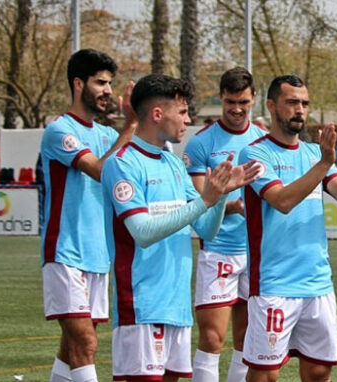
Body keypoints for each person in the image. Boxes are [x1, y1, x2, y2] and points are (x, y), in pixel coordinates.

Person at [101, 73, 260, 382]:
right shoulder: (122, 163)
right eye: (183, 111)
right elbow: (143, 232)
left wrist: (221, 193)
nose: (188, 119)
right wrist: (206, 200)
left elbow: (206, 229)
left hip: (176, 305)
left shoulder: (173, 164)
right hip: (142, 306)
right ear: (158, 114)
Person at [238, 74, 337, 382]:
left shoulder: (313, 153)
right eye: (292, 102)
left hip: (317, 284)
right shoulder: (256, 154)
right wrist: (324, 163)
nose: (300, 110)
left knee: (319, 373)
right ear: (271, 105)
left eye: (305, 104)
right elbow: (281, 201)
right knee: (264, 376)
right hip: (274, 285)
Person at [39, 49, 136, 382]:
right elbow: (98, 169)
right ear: (79, 84)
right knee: (86, 342)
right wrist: (132, 124)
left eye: (110, 83)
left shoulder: (107, 135)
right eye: (100, 82)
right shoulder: (59, 131)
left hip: (98, 256)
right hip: (66, 252)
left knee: (72, 348)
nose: (108, 90)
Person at [183, 67, 267, 382]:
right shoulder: (201, 143)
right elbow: (199, 201)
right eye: (230, 101)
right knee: (212, 338)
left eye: (243, 102)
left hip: (257, 251)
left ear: (253, 99)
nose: (236, 109)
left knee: (246, 338)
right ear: (221, 98)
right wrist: (233, 204)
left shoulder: (263, 139)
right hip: (218, 250)